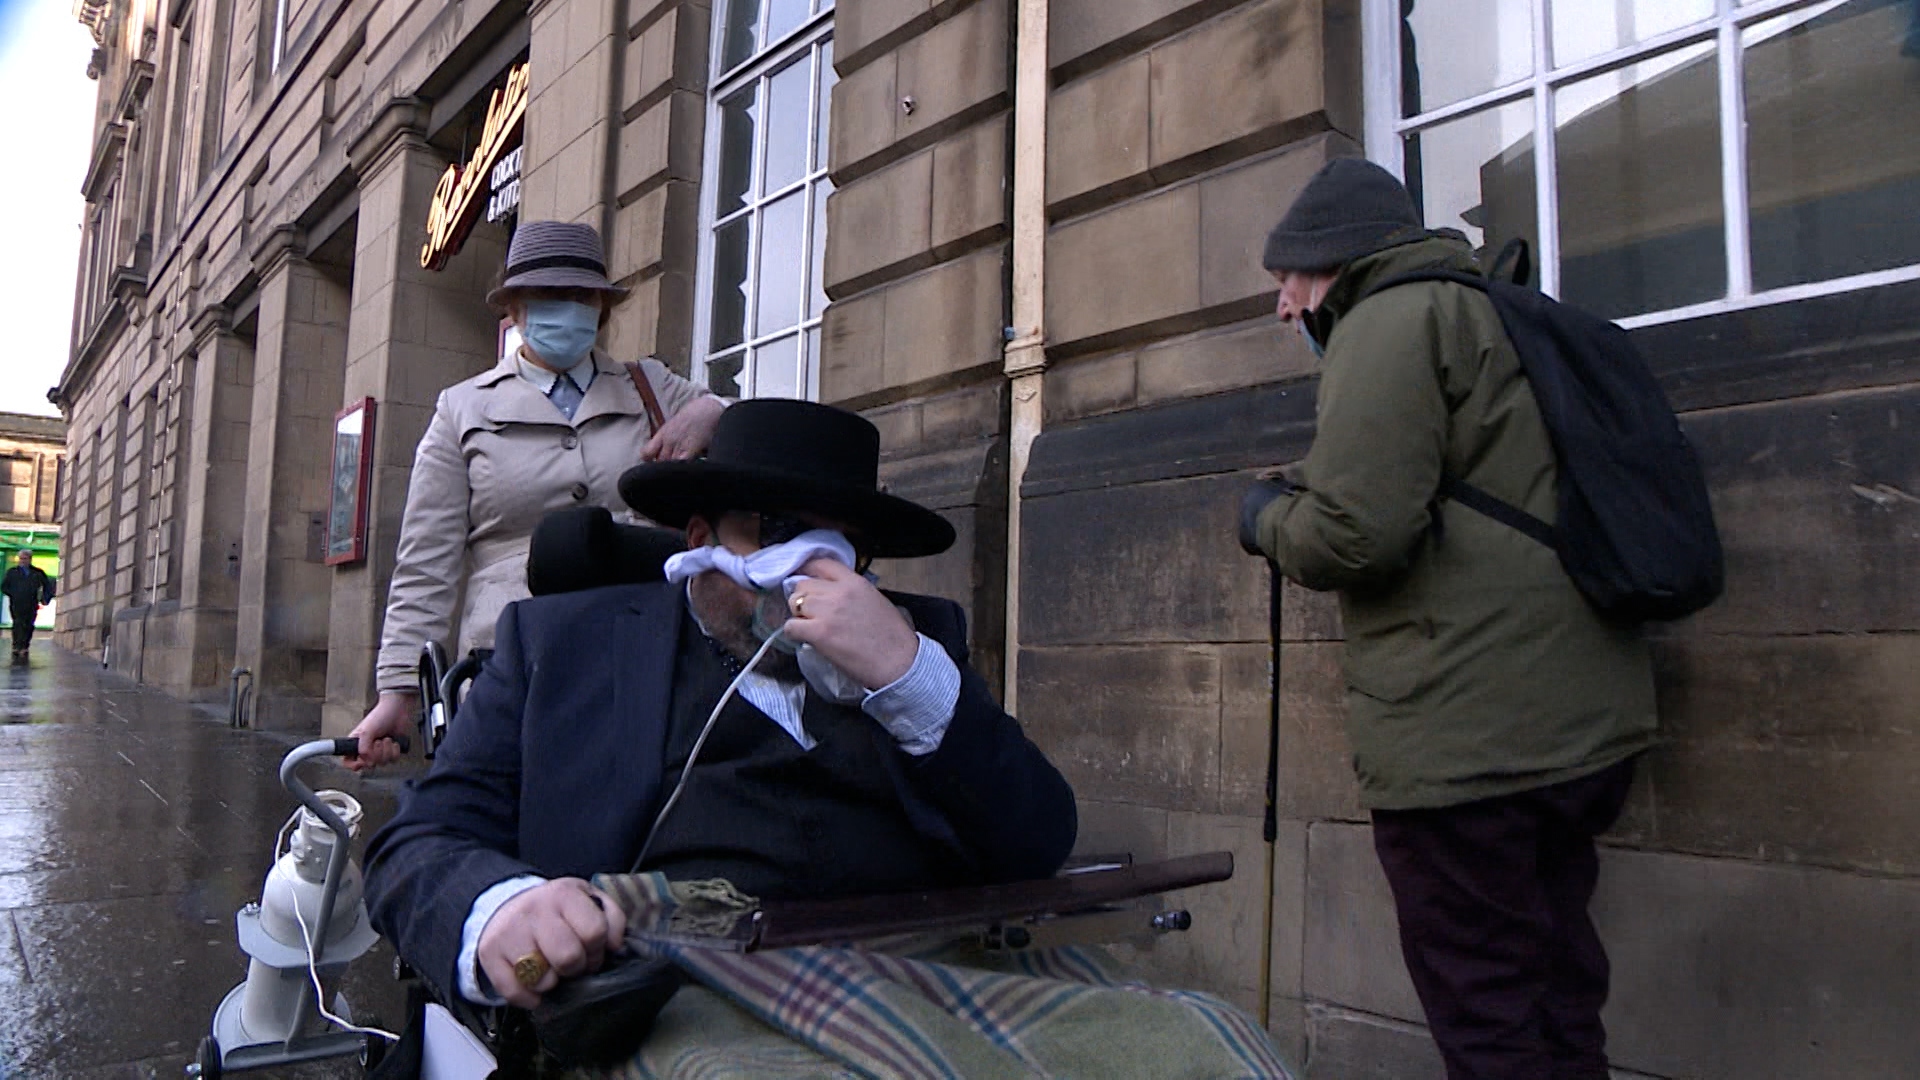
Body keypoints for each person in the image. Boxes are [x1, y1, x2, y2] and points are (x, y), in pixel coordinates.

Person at [363, 399, 1078, 1013]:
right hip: (671, 1009)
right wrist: (500, 911)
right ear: (702, 541)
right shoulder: (559, 647)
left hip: (910, 993)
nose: (809, 569)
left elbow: (1040, 840)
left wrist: (910, 679)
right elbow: (416, 845)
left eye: (844, 549)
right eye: (775, 532)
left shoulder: (921, 647)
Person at [1239, 159, 1658, 1080]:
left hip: (1472, 740)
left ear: (1332, 263)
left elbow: (1354, 537)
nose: (1282, 308)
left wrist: (1265, 519)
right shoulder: (1492, 311)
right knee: (1556, 992)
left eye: (1287, 282)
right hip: (1580, 726)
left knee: (1487, 1016)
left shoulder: (1391, 321)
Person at [348, 221, 727, 769]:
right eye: (548, 295)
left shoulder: (650, 385)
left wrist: (711, 412)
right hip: (512, 659)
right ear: (517, 308)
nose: (566, 308)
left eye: (580, 295)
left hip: (647, 645)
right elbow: (425, 560)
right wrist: (398, 691)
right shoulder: (462, 408)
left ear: (602, 307)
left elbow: (752, 427)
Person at [2, 551, 54, 661]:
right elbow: (4, 586)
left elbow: (47, 586)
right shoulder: (12, 572)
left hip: (31, 603)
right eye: (20, 558)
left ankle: (25, 645)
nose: (22, 561)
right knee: (18, 623)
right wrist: (14, 594)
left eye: (25, 558)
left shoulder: (37, 573)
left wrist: (45, 598)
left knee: (29, 624)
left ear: (30, 559)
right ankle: (16, 646)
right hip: (17, 603)